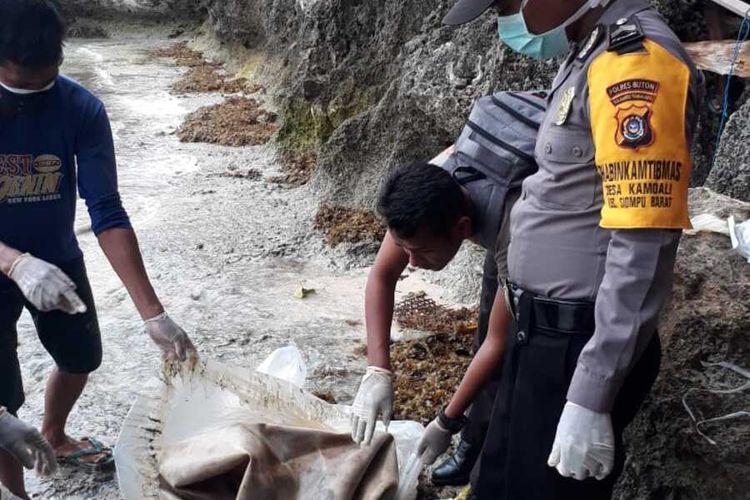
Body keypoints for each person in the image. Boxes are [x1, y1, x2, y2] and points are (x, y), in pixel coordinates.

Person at [414, 1, 703, 499]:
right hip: (540, 335)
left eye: (506, 3)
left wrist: (591, 394)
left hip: (578, 344)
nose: (504, 17)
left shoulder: (638, 62)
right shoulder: (587, 52)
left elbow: (644, 239)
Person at [0, 1, 197, 497]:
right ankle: (15, 492)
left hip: (59, 258)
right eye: (23, 80)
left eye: (48, 76)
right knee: (1, 402)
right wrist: (16, 263)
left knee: (82, 356)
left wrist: (153, 313)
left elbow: (105, 209)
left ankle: (55, 433)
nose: (36, 90)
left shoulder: (81, 107)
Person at [349, 88, 544, 488]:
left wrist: (444, 421)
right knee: (493, 319)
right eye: (405, 249)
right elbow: (382, 275)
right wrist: (377, 369)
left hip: (544, 225)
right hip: (494, 205)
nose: (413, 264)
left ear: (460, 230)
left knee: (518, 340)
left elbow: (498, 341)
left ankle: (481, 447)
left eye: (420, 252)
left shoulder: (514, 232)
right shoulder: (431, 183)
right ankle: (473, 442)